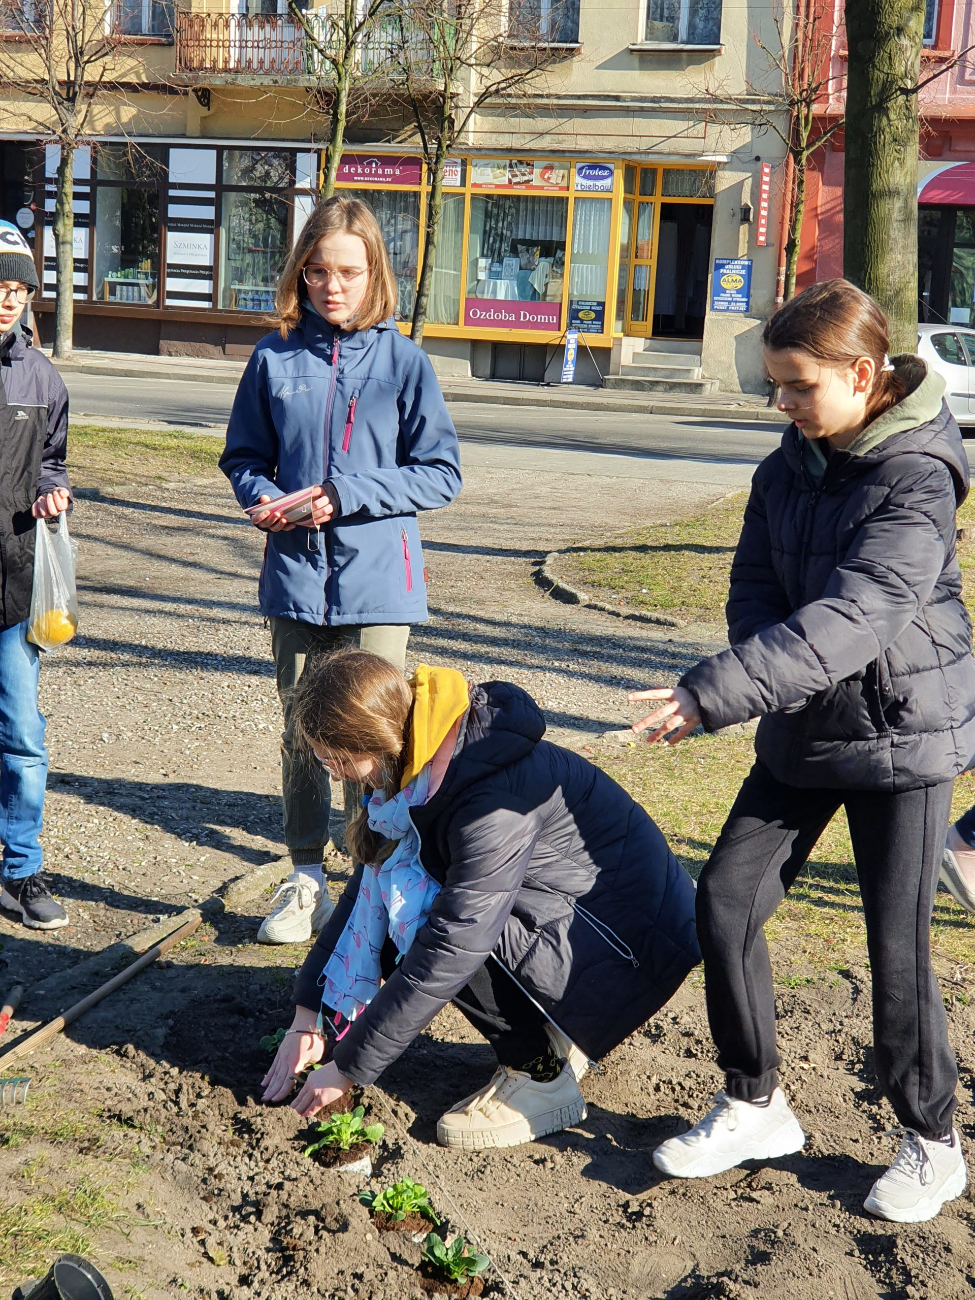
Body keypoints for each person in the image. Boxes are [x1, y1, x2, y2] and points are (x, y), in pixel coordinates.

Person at [630, 279, 975, 1224]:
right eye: (774, 386)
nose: (778, 404)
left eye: (795, 386)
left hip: (905, 733)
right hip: (803, 723)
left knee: (895, 947)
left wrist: (713, 695)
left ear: (862, 377)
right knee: (728, 898)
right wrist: (759, 673)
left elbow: (861, 611)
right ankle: (754, 1102)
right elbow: (754, 580)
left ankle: (932, 1142)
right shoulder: (791, 459)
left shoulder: (916, 476)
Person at [261, 650, 700, 1149]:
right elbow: (368, 890)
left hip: (632, 945)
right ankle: (554, 1032)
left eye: (337, 758)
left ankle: (539, 1077)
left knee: (431, 918)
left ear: (378, 738)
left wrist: (348, 1068)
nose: (334, 773)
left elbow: (454, 945)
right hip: (584, 923)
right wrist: (308, 1015)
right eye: (324, 761)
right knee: (407, 892)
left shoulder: (485, 799)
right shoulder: (417, 771)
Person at [220, 197, 462, 946]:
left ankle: (371, 878)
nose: (332, 285)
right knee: (301, 731)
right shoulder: (272, 357)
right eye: (318, 270)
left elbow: (441, 474)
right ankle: (302, 878)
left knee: (372, 736)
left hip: (377, 585)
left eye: (348, 272)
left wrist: (346, 495)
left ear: (373, 275)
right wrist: (262, 498)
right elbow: (243, 458)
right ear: (301, 272)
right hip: (293, 576)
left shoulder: (404, 362)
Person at [0, 221, 72, 930]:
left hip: (12, 586)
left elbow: (53, 458)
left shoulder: (40, 375)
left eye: (18, 289)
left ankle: (19, 872)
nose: (8, 300)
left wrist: (54, 488)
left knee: (23, 736)